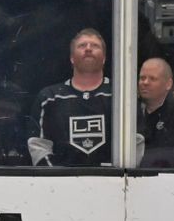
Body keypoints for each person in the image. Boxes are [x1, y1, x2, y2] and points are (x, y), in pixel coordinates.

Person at [28, 28, 112, 166]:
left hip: (113, 185)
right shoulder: (49, 98)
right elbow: (38, 147)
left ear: (104, 58)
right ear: (72, 58)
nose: (88, 49)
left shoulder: (120, 96)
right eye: (82, 46)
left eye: (95, 46)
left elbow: (135, 142)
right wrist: (60, 180)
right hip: (63, 185)